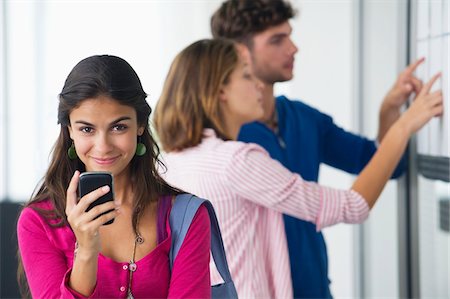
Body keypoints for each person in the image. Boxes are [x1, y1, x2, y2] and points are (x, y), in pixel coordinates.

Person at [153, 38, 443, 298]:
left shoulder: (170, 161)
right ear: (220, 92)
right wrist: (405, 125)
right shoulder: (236, 160)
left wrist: (388, 114)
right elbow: (353, 205)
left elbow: (376, 161)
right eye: (245, 75)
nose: (257, 85)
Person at [210, 0, 426, 297]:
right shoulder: (223, 139)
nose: (293, 48)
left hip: (316, 289)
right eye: (277, 39)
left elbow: (384, 165)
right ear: (239, 53)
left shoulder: (304, 118)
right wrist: (404, 126)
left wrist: (389, 112)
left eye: (289, 35)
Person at [16, 55, 211, 299]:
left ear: (140, 125)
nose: (103, 146)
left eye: (119, 127)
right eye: (87, 129)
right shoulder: (38, 222)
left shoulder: (186, 216)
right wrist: (86, 250)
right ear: (70, 131)